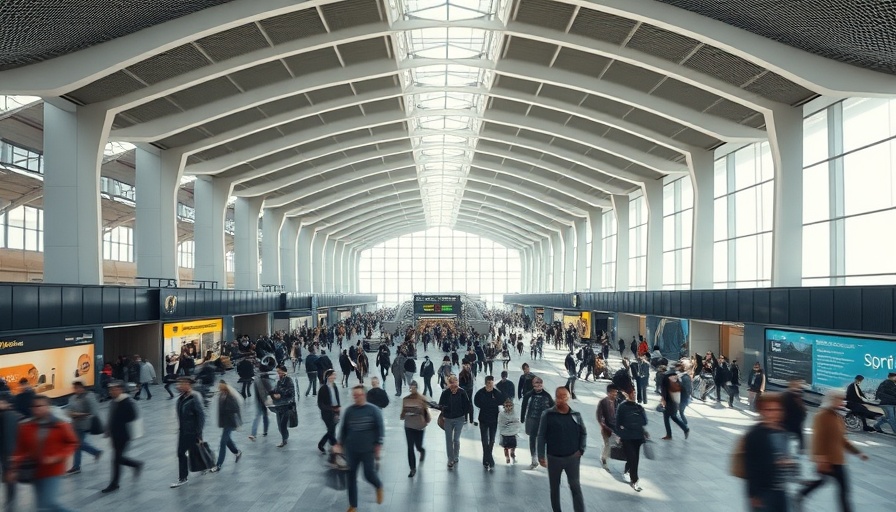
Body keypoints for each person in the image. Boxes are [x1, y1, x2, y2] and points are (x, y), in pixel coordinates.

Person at [797, 390, 869, 512]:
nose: (842, 402)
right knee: (842, 489)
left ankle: (802, 494)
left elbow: (842, 439)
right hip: (827, 460)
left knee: (826, 483)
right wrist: (820, 459)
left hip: (837, 459)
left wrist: (858, 452)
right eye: (839, 399)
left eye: (842, 399)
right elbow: (817, 438)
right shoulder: (822, 416)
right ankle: (802, 494)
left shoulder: (838, 417)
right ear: (832, 400)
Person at [10, 395, 79, 511]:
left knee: (46, 504)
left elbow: (72, 443)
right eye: (34, 406)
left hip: (53, 470)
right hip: (34, 471)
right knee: (45, 504)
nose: (36, 409)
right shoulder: (26, 426)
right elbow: (20, 449)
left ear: (48, 407)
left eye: (40, 405)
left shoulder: (60, 425)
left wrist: (58, 456)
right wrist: (14, 467)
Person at [334, 385, 385, 512]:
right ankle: (353, 505)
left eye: (358, 395)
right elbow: (344, 428)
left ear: (364, 395)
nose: (356, 398)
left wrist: (378, 444)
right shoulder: (349, 411)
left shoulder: (373, 410)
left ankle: (378, 486)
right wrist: (339, 444)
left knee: (368, 474)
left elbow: (380, 428)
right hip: (351, 450)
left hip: (368, 450)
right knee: (351, 477)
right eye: (354, 396)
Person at [744, 393, 798, 511]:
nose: (774, 413)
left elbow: (792, 464)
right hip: (763, 493)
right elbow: (750, 468)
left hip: (781, 491)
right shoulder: (755, 434)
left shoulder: (784, 432)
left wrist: (791, 463)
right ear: (762, 411)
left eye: (777, 409)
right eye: (769, 409)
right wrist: (753, 494)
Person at [537, 387, 586, 512]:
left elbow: (583, 433)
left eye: (564, 396)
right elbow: (541, 435)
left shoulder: (576, 415)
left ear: (568, 398)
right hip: (554, 458)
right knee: (555, 488)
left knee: (575, 487)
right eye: (559, 396)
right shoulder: (548, 414)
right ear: (555, 397)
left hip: (572, 458)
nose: (561, 399)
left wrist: (581, 450)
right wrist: (541, 455)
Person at [100, 380, 143, 493]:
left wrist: (120, 422)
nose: (111, 391)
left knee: (116, 459)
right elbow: (111, 417)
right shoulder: (114, 401)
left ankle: (115, 483)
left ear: (120, 389)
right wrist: (108, 429)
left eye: (114, 389)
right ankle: (135, 465)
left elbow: (133, 416)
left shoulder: (127, 401)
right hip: (115, 434)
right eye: (110, 389)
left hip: (123, 435)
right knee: (117, 459)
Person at [171, 376, 205, 488]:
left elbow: (201, 416)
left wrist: (199, 433)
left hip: (192, 431)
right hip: (183, 431)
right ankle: (184, 477)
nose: (179, 386)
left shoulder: (194, 397)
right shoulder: (182, 397)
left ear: (188, 384)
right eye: (179, 384)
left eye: (182, 384)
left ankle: (184, 477)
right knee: (184, 452)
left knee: (190, 452)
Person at [65, 380, 103, 475]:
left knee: (77, 444)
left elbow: (94, 411)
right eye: (75, 388)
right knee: (77, 444)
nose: (76, 390)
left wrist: (80, 414)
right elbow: (68, 409)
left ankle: (77, 466)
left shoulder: (89, 396)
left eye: (78, 388)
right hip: (75, 424)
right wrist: (71, 413)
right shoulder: (73, 398)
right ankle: (95, 452)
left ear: (82, 388)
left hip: (85, 424)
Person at [614, 388, 647, 492]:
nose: (634, 394)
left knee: (634, 458)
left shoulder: (639, 407)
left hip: (638, 437)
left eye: (635, 393)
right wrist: (619, 434)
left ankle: (628, 469)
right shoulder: (622, 407)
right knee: (633, 457)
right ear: (627, 394)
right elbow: (618, 423)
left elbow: (644, 421)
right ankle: (634, 480)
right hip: (627, 437)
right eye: (632, 393)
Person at [438, 375, 471, 470]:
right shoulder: (445, 393)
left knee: (456, 439)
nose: (453, 384)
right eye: (451, 382)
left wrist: (463, 414)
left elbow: (467, 405)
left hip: (459, 418)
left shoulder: (462, 392)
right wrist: (444, 410)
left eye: (455, 382)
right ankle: (450, 459)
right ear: (449, 384)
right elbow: (441, 404)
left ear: (458, 382)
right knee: (449, 439)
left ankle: (456, 455)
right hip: (448, 419)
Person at [520, 376, 554, 470]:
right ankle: (534, 458)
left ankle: (542, 457)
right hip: (532, 420)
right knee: (532, 439)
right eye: (537, 383)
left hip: (544, 421)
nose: (539, 385)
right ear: (533, 385)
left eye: (540, 383)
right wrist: (522, 418)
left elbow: (553, 407)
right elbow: (524, 406)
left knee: (543, 440)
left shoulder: (547, 395)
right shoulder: (528, 395)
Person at [474, 376, 506, 470]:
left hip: (493, 420)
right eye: (488, 383)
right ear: (485, 383)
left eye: (492, 383)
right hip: (483, 419)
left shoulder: (496, 393)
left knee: (492, 440)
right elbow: (476, 402)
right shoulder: (480, 393)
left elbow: (502, 401)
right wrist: (484, 406)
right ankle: (488, 459)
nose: (490, 385)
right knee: (484, 440)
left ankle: (488, 457)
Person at [399, 380, 430, 477]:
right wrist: (404, 415)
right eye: (411, 387)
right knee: (410, 447)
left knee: (418, 445)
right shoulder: (405, 400)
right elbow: (403, 414)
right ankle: (412, 468)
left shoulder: (422, 399)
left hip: (419, 426)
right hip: (408, 426)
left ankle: (422, 450)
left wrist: (425, 420)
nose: (412, 389)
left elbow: (426, 414)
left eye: (414, 387)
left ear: (417, 388)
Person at [211, 380, 242, 472]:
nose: (219, 387)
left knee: (222, 442)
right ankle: (237, 452)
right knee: (227, 440)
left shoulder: (231, 397)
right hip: (224, 422)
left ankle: (219, 464)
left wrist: (238, 423)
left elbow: (236, 410)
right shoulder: (220, 396)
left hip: (231, 422)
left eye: (221, 386)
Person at [660, 366, 689, 440]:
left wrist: (663, 400)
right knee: (674, 417)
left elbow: (665, 392)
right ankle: (685, 429)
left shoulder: (667, 380)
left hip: (670, 404)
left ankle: (669, 435)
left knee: (667, 419)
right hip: (674, 403)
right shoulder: (676, 382)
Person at [271, 364, 296, 448]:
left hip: (286, 405)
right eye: (277, 372)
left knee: (282, 424)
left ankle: (284, 439)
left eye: (280, 372)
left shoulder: (288, 380)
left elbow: (291, 392)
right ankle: (285, 436)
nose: (278, 374)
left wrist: (280, 394)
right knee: (279, 425)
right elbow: (274, 390)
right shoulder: (278, 381)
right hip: (278, 405)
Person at [317, 369, 341, 454]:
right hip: (327, 413)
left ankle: (324, 444)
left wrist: (338, 409)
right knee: (331, 429)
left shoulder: (334, 386)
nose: (335, 376)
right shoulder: (323, 388)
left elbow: (337, 399)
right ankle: (335, 445)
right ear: (328, 376)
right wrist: (330, 409)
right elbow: (320, 403)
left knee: (332, 430)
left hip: (335, 411)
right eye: (333, 375)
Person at [781, 378, 808, 451]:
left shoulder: (798, 395)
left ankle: (800, 449)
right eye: (797, 385)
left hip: (797, 424)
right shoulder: (786, 396)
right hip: (788, 424)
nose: (800, 387)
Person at [596, 384, 618, 471]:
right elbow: (599, 417)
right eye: (613, 392)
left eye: (616, 392)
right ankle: (604, 460)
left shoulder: (618, 402)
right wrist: (604, 425)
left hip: (616, 427)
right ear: (608, 393)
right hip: (606, 428)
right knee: (608, 444)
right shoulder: (603, 402)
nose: (614, 394)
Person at [248, 371, 272, 441]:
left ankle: (254, 434)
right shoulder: (265, 381)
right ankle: (264, 431)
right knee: (264, 416)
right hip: (264, 401)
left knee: (258, 417)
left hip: (260, 401)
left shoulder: (257, 381)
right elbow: (270, 391)